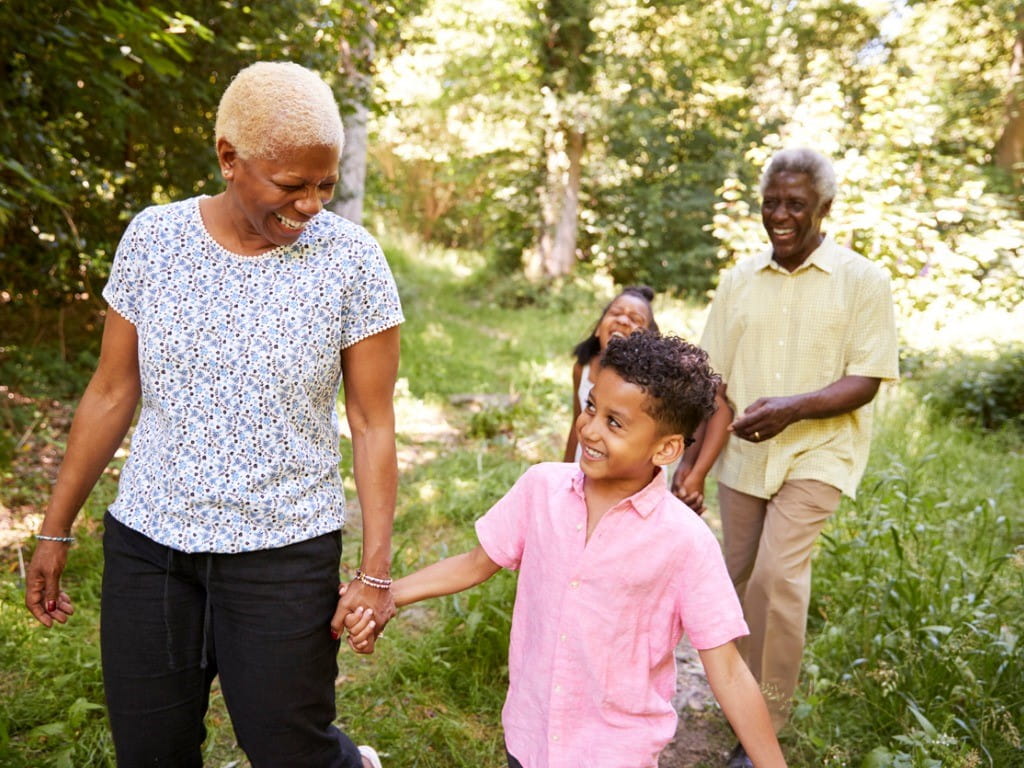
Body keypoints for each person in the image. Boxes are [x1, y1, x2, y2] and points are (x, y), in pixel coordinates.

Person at [23, 61, 400, 768]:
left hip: (284, 551)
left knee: (290, 749)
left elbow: (373, 422)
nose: (313, 204)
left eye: (326, 184)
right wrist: (55, 528)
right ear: (229, 158)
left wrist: (374, 573)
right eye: (292, 185)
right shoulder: (154, 240)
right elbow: (110, 391)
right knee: (151, 751)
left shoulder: (352, 262)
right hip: (151, 547)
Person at [341, 331, 788, 768]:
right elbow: (476, 563)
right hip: (530, 735)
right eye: (591, 407)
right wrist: (386, 595)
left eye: (615, 422)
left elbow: (727, 670)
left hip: (616, 751)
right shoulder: (542, 488)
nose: (590, 428)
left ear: (667, 448)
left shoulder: (686, 542)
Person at [700, 148, 899, 768]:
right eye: (771, 203)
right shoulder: (739, 279)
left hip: (820, 451)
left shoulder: (864, 280)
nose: (780, 216)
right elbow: (713, 380)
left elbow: (865, 378)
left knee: (777, 579)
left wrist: (791, 408)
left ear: (824, 209)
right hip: (742, 458)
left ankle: (764, 725)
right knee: (730, 582)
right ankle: (734, 697)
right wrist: (690, 461)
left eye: (795, 205)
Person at [562, 285, 658, 463]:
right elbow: (577, 422)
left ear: (648, 339)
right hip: (587, 459)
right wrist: (563, 471)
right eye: (615, 313)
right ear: (598, 328)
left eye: (635, 319)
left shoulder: (650, 384)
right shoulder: (582, 369)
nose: (623, 320)